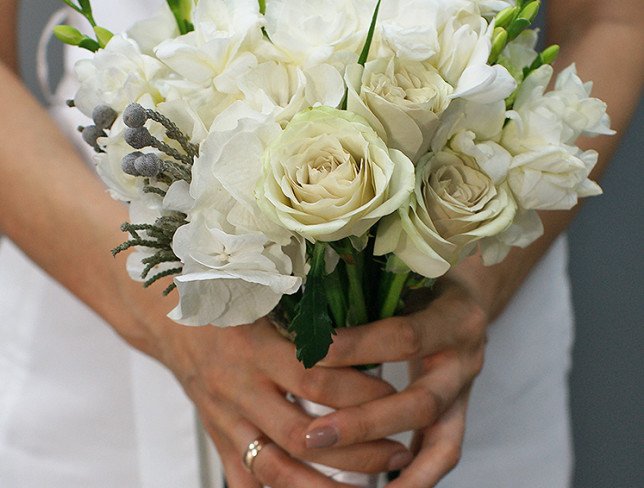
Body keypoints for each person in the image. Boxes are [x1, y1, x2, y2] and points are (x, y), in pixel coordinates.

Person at [0, 1, 642, 487]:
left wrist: (465, 270)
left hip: (468, 376)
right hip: (98, 344)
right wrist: (172, 322)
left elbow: (617, 17)